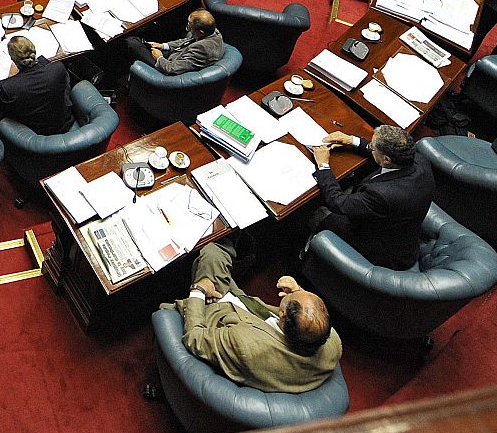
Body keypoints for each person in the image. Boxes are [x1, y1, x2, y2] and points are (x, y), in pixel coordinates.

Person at [167, 236, 340, 393]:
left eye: (291, 297)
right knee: (214, 253)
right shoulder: (331, 341)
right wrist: (298, 291)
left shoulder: (247, 346)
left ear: (282, 314)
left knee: (211, 255)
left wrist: (199, 290)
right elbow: (309, 317)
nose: (293, 292)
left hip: (219, 317)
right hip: (248, 310)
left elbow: (195, 338)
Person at [310, 125, 434, 271]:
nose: (370, 147)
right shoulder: (420, 161)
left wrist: (323, 165)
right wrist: (352, 141)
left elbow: (338, 203)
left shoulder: (382, 194)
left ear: (386, 159)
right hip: (400, 230)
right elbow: (384, 155)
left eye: (373, 147)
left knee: (315, 213)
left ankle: (308, 255)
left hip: (382, 250)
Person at [0, 35, 74, 136]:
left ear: (13, 60)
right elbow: (65, 84)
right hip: (63, 122)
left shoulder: (10, 86)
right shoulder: (57, 68)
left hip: (34, 131)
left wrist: (11, 77)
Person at [125, 10, 224, 75]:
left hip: (167, 68)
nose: (187, 27)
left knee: (132, 42)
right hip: (176, 55)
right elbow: (186, 41)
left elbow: (172, 69)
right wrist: (163, 46)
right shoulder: (212, 31)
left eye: (190, 25)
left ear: (200, 32)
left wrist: (159, 58)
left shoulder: (202, 50)